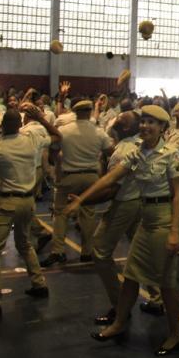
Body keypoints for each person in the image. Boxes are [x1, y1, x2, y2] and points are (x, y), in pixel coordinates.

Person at [70, 105, 179, 356]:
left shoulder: (172, 155)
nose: (145, 126)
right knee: (131, 276)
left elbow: (178, 195)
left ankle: (176, 334)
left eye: (152, 123)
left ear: (163, 128)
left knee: (166, 283)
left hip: (164, 220)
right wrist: (81, 199)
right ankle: (119, 323)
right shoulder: (137, 153)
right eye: (143, 121)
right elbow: (109, 179)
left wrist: (175, 231)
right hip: (146, 220)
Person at [0, 105, 61, 316]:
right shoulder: (32, 141)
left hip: (7, 202)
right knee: (25, 244)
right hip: (28, 201)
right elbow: (57, 136)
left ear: (3, 126)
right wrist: (41, 118)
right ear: (21, 124)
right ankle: (39, 283)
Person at [64, 111, 144, 325]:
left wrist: (82, 201)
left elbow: (110, 188)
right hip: (139, 202)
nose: (116, 118)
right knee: (142, 253)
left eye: (121, 119)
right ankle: (155, 298)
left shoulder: (122, 152)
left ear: (126, 128)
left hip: (125, 203)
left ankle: (120, 306)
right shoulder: (141, 144)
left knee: (100, 252)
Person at [41, 99, 113, 266]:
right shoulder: (99, 132)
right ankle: (87, 252)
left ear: (75, 112)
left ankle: (58, 250)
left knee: (61, 213)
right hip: (91, 177)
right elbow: (111, 152)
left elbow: (53, 152)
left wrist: (58, 165)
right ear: (89, 112)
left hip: (69, 176)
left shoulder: (64, 131)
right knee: (88, 215)